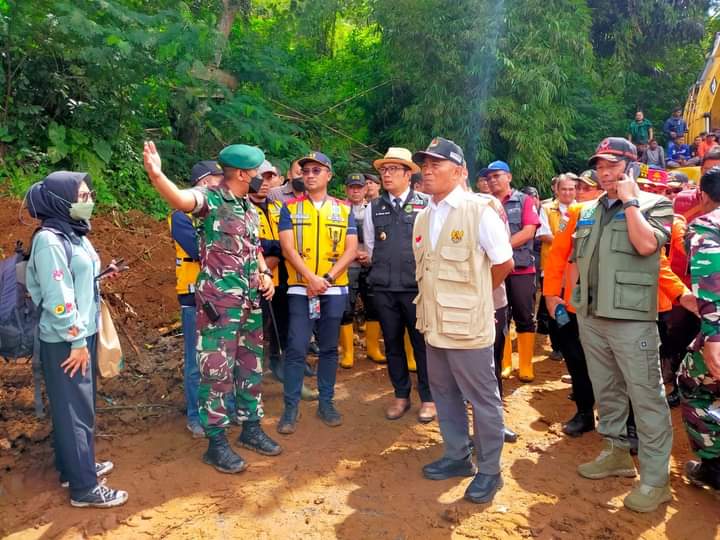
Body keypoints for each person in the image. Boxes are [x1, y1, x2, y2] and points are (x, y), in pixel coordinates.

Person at [545, 137, 675, 513]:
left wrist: (631, 200)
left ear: (630, 166)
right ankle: (616, 453)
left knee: (646, 396)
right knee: (608, 391)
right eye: (600, 167)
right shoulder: (587, 211)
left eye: (613, 166)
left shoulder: (655, 204)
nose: (605, 173)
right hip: (591, 317)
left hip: (631, 320)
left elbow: (647, 246)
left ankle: (655, 479)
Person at [144, 141, 281, 474]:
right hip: (219, 304)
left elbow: (253, 248)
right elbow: (181, 199)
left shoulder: (248, 207)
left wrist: (264, 274)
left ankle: (250, 428)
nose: (263, 176)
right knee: (216, 371)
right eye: (258, 171)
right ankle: (216, 443)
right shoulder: (211, 199)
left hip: (250, 301)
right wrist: (158, 175)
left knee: (250, 368)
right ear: (241, 173)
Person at [411, 136, 514, 504]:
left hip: (468, 328)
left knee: (483, 399)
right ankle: (457, 457)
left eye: (436, 164)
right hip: (434, 326)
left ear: (459, 171)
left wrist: (475, 298)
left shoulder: (478, 210)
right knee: (444, 394)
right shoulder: (423, 216)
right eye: (425, 164)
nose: (427, 170)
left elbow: (504, 263)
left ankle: (490, 470)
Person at [25, 172, 128, 508]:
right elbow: (58, 298)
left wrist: (100, 275)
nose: (88, 201)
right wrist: (77, 341)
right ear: (60, 201)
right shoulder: (50, 241)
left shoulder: (74, 233)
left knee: (80, 407)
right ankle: (84, 488)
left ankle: (75, 467)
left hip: (81, 333)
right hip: (66, 340)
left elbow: (75, 278)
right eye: (81, 196)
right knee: (75, 412)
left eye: (88, 194)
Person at [276, 151, 358, 434]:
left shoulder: (344, 209)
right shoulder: (290, 208)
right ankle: (291, 408)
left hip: (333, 289)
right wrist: (310, 278)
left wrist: (327, 278)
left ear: (328, 175)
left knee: (328, 348)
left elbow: (351, 249)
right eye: (306, 171)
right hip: (300, 288)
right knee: (296, 346)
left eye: (316, 171)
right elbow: (287, 248)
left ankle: (327, 402)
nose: (309, 175)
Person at [364, 147, 435, 422]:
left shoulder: (425, 205)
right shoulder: (374, 207)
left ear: (408, 174)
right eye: (384, 170)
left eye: (393, 169)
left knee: (422, 345)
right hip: (384, 288)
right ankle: (401, 395)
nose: (387, 174)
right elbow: (370, 247)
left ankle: (428, 399)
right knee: (392, 343)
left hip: (415, 288)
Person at [169, 160, 224, 438]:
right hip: (193, 294)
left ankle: (219, 410)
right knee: (195, 360)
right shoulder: (182, 213)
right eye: (217, 179)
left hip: (219, 291)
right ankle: (195, 416)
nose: (221, 183)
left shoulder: (220, 209)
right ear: (204, 182)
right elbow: (200, 249)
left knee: (220, 356)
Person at [679, 166, 720, 491]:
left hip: (718, 329)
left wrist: (714, 337)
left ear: (703, 196)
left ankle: (713, 464)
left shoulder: (706, 226)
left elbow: (711, 281)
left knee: (693, 385)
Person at [486, 161, 541, 381]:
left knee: (524, 316)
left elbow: (529, 231)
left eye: (497, 175)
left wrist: (501, 246)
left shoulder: (525, 200)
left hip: (521, 269)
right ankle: (505, 362)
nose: (492, 180)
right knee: (500, 317)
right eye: (489, 177)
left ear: (509, 177)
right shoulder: (485, 203)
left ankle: (526, 365)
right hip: (495, 269)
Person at [339, 173, 385, 367]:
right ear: (346, 189)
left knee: (374, 307)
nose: (355, 190)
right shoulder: (338, 209)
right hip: (347, 266)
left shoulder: (375, 208)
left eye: (359, 187)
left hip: (371, 265)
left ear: (366, 189)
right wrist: (352, 253)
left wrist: (369, 255)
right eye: (352, 187)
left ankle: (373, 349)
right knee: (346, 309)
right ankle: (348, 353)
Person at [537, 174, 577, 362]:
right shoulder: (546, 209)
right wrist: (568, 243)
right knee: (555, 308)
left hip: (575, 271)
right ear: (556, 190)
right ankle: (558, 345)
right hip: (552, 269)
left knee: (572, 308)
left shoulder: (583, 209)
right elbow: (544, 234)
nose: (567, 193)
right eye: (564, 189)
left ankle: (571, 344)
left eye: (571, 189)